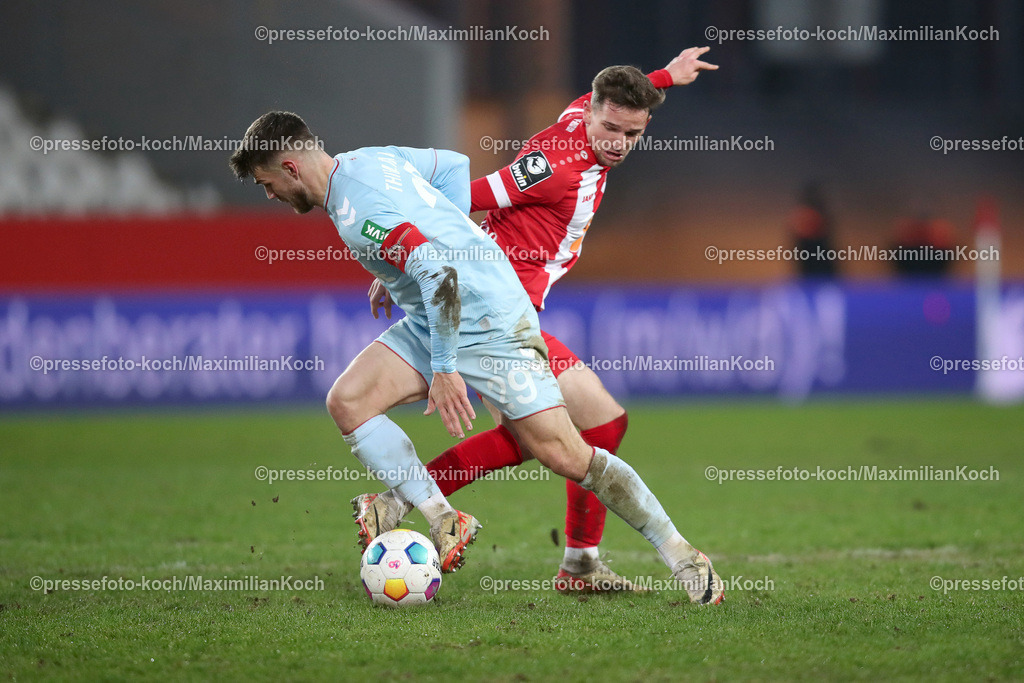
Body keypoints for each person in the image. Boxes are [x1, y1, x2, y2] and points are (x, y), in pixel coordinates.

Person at [229, 111, 724, 604]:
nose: (269, 195)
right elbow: (453, 166)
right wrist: (427, 247)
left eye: (266, 183)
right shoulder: (369, 160)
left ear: (291, 168)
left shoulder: (359, 212)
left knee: (565, 455)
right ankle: (445, 519)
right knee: (349, 401)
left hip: (488, 322)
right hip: (437, 313)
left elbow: (438, 273)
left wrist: (444, 369)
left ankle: (682, 555)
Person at [351, 48, 720, 594]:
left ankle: (576, 564)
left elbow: (628, 95)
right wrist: (403, 254)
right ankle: (404, 505)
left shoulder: (584, 116)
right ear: (592, 112)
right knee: (574, 435)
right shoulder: (559, 165)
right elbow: (464, 196)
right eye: (611, 128)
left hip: (509, 312)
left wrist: (670, 75)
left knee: (583, 429)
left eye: (633, 134)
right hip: (499, 318)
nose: (618, 143)